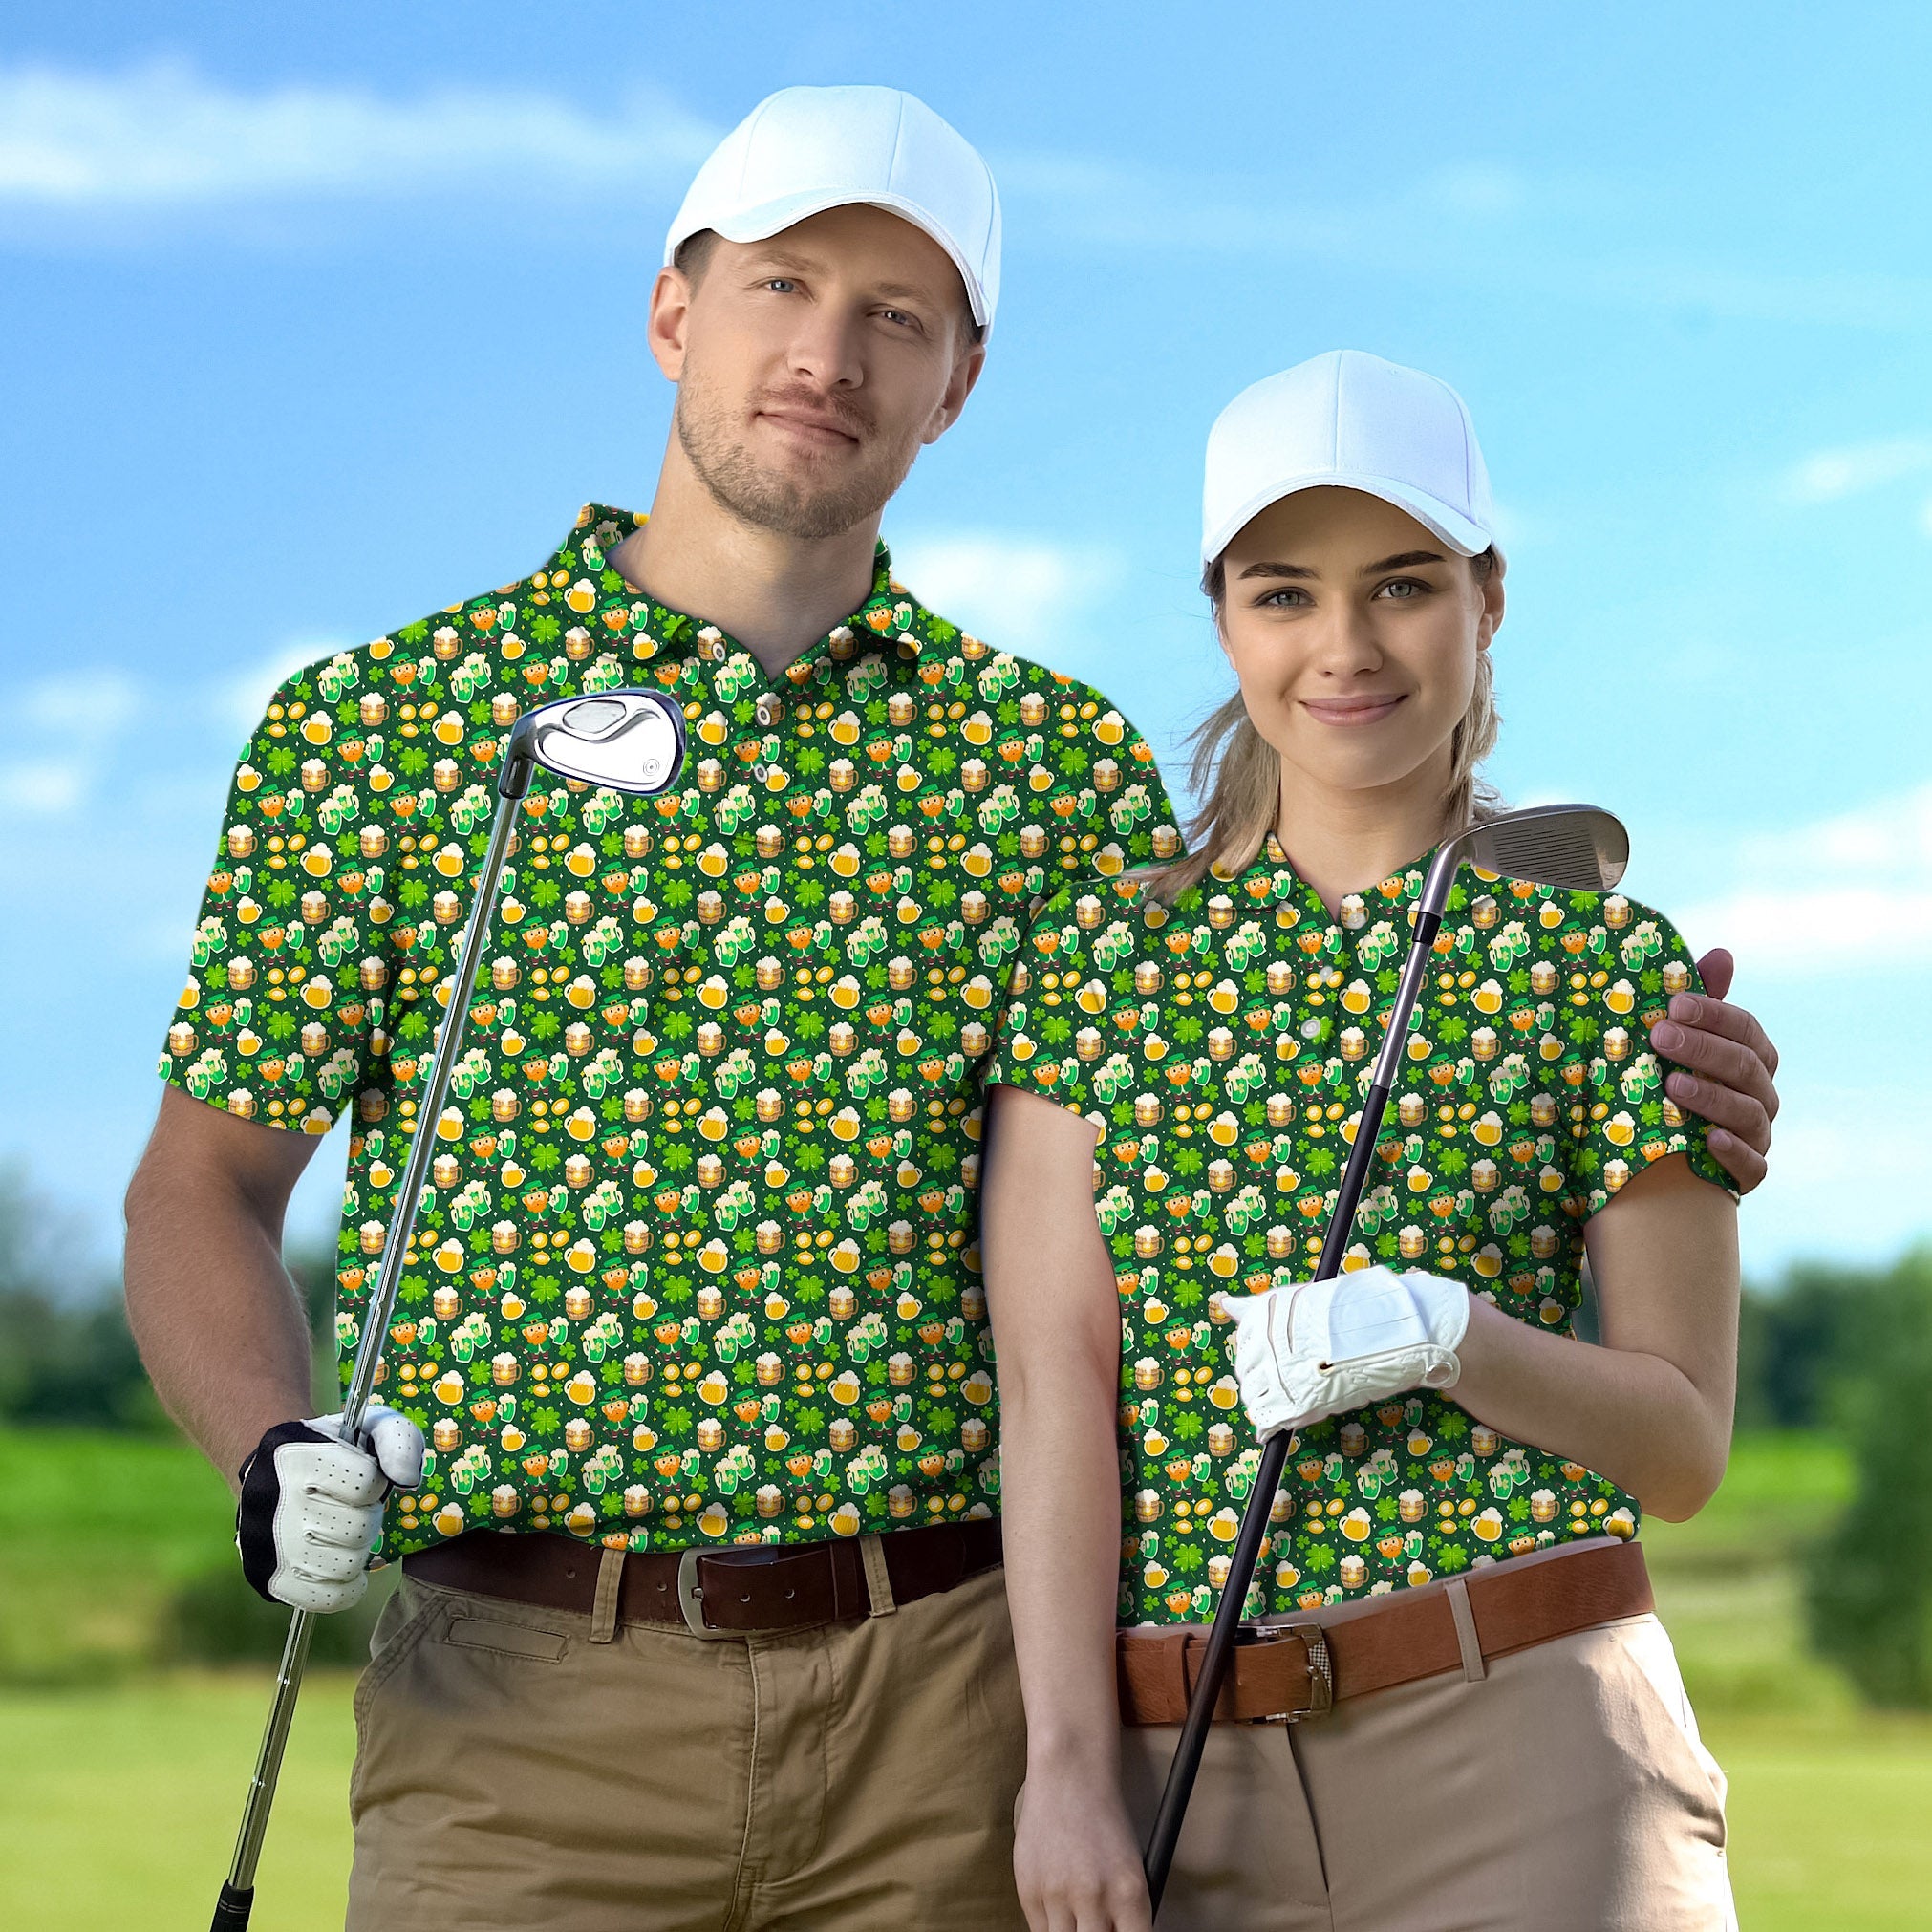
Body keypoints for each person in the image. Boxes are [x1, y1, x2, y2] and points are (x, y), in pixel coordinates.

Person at [118, 86, 1778, 1925]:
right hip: (517, 1709)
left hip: (947, 1706)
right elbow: (201, 1187)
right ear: (674, 310)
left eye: (894, 316)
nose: (827, 355)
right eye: (781, 287)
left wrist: (1633, 1048)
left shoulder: (1051, 767)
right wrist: (272, 1450)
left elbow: (1270, 1060)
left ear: (959, 379)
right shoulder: (388, 728)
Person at [981, 350, 1747, 1930]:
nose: (1343, 647)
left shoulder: (1603, 963)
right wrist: (1062, 1765)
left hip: (1530, 1729)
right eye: (1282, 595)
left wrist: (1448, 1336)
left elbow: (1678, 1449)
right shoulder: (1096, 968)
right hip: (1187, 1770)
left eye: (1400, 586)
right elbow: (1056, 1388)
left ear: (1486, 600)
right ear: (1220, 617)